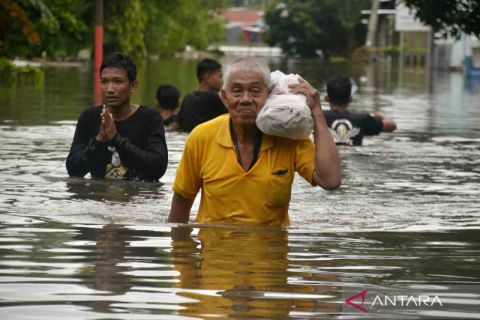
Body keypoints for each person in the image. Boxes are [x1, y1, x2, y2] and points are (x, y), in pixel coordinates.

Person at [168, 58, 341, 226]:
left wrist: (317, 112)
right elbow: (181, 203)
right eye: (236, 91)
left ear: (269, 95)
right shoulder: (202, 137)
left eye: (255, 91)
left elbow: (330, 180)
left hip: (272, 252)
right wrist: (182, 253)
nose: (245, 99)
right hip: (215, 253)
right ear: (224, 97)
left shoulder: (288, 138)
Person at [66, 52, 168, 182]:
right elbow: (73, 170)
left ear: (133, 86)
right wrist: (98, 140)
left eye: (117, 81)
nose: (110, 89)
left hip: (137, 199)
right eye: (104, 82)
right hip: (99, 198)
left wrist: (116, 138)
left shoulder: (150, 118)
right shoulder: (89, 117)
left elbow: (158, 169)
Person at [323, 74, 396, 146]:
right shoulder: (363, 120)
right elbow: (392, 125)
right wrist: (380, 115)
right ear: (350, 99)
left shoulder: (318, 119)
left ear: (326, 98)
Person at [172, 58, 228, 132]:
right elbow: (231, 120)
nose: (222, 81)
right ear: (207, 77)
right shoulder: (213, 97)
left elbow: (175, 127)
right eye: (220, 76)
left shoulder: (188, 97)